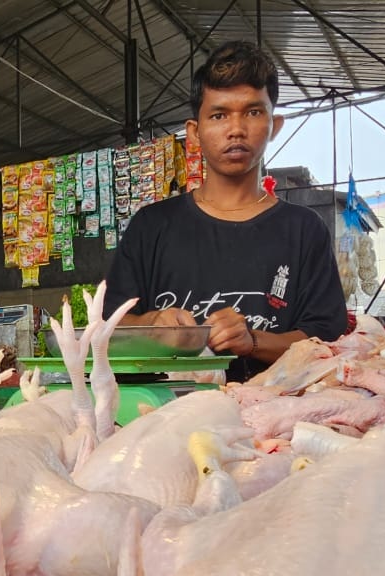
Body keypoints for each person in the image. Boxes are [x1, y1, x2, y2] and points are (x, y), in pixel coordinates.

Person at [103, 41, 348, 383]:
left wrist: (252, 340)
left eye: (252, 112)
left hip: (273, 423)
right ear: (195, 131)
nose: (236, 129)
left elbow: (328, 342)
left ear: (274, 125)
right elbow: (110, 326)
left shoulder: (304, 229)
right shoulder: (151, 225)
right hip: (162, 417)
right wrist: (153, 326)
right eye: (219, 115)